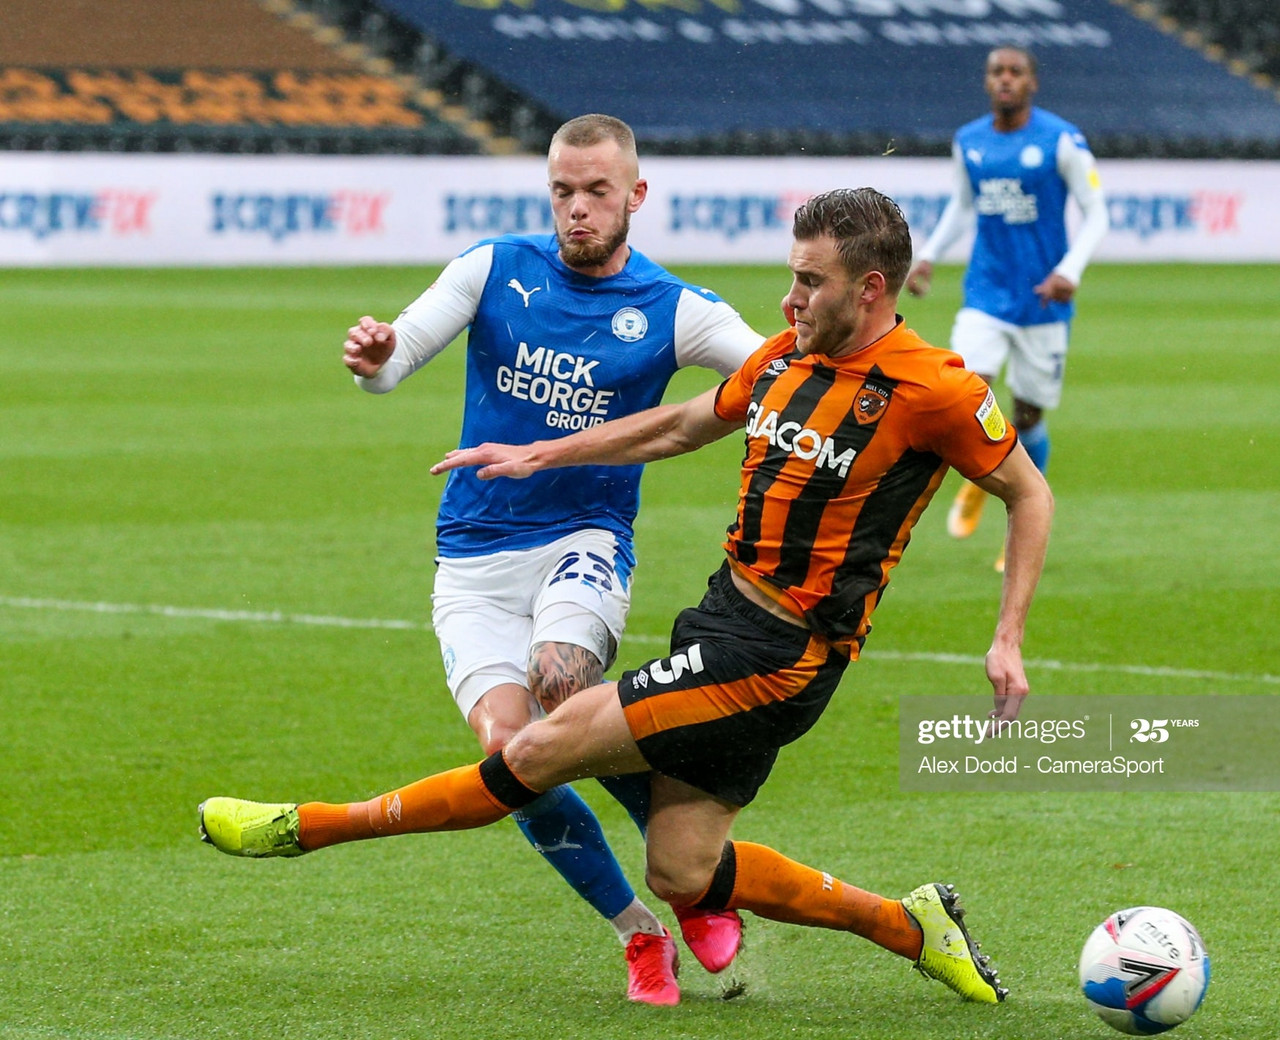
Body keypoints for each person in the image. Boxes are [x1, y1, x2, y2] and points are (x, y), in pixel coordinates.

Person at [200, 187, 1054, 1010]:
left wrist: (1007, 636)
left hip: (780, 656)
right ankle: (912, 927)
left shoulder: (935, 389)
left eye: (809, 280)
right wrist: (542, 454)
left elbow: (1029, 493)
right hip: (723, 613)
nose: (789, 297)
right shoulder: (788, 355)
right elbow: (683, 423)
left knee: (536, 751)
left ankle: (305, 828)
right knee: (682, 870)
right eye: (792, 274)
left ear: (871, 288)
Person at [338, 113, 764, 1004]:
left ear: (635, 197)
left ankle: (691, 883)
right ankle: (640, 931)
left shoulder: (674, 309)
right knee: (512, 759)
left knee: (565, 683)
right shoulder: (492, 267)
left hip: (585, 543)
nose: (577, 209)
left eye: (596, 193)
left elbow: (776, 378)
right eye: (563, 191)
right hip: (473, 558)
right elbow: (392, 362)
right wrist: (374, 359)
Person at [905, 44, 1106, 571]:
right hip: (987, 294)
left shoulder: (1061, 140)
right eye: (997, 71)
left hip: (1042, 300)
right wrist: (927, 255)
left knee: (1029, 415)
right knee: (971, 386)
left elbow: (1097, 213)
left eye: (1016, 72)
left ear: (1033, 82)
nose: (1006, 80)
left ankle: (1019, 512)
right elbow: (963, 205)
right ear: (987, 80)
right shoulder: (969, 141)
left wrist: (1070, 270)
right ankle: (979, 484)